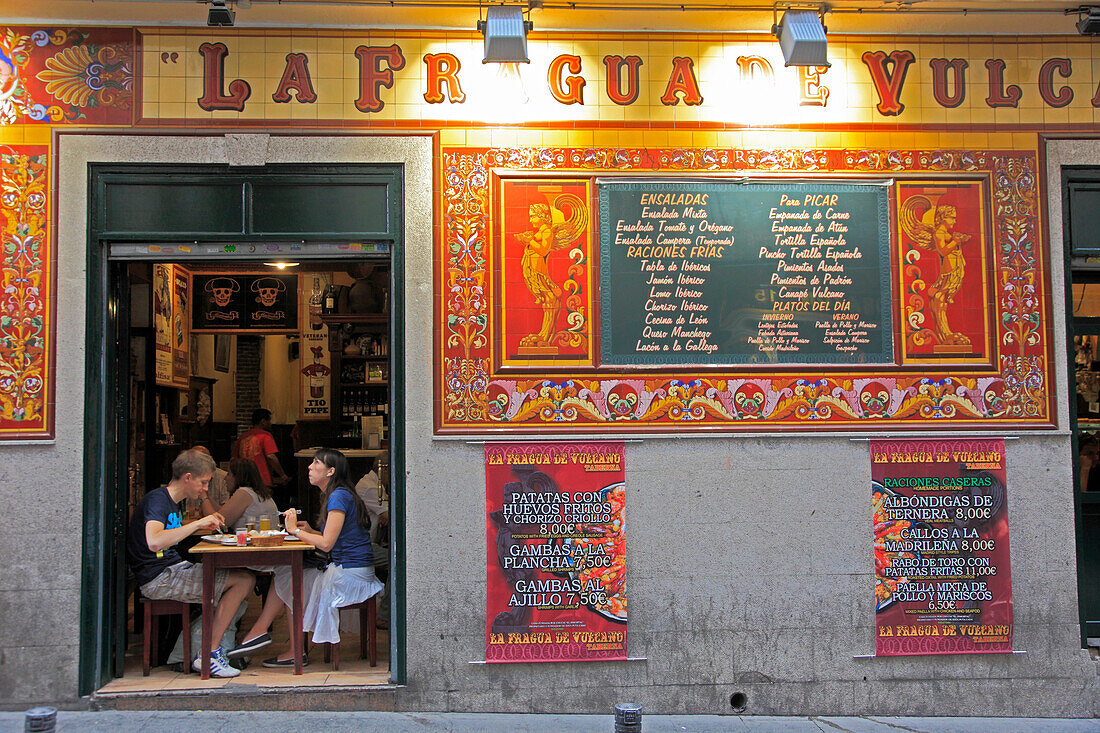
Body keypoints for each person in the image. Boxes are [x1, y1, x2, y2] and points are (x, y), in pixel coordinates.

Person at [229, 449, 381, 667]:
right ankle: (269, 638)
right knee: (288, 574)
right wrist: (310, 530)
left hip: (350, 573)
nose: (310, 467)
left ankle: (273, 639)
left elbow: (327, 544)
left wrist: (295, 531)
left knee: (289, 577)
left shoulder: (338, 496)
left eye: (316, 463)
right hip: (352, 569)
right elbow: (335, 537)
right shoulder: (338, 493)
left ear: (331, 471)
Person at [127, 449, 255, 677]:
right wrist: (196, 525)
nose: (205, 488)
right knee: (243, 581)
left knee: (240, 578)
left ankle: (209, 648)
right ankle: (209, 653)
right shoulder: (158, 500)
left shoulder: (171, 502)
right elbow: (154, 541)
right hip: (160, 578)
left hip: (171, 571)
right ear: (188, 477)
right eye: (204, 482)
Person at [354, 462, 389, 628]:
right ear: (384, 469)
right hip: (362, 546)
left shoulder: (372, 484)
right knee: (396, 563)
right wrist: (385, 514)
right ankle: (383, 616)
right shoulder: (371, 487)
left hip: (367, 542)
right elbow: (391, 515)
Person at [233, 408, 290, 490]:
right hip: (262, 479)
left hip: (244, 480)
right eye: (269, 420)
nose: (270, 423)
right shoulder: (266, 436)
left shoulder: (242, 437)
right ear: (263, 421)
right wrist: (282, 475)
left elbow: (234, 459)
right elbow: (271, 457)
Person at [217, 458, 280, 530]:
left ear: (237, 477)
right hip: (267, 539)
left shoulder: (244, 493)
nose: (225, 478)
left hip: (256, 540)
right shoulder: (256, 492)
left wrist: (204, 496)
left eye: (228, 473)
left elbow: (220, 522)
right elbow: (222, 513)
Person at [183, 445, 230, 519]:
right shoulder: (186, 477)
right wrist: (197, 509)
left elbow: (226, 514)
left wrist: (206, 498)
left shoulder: (224, 478)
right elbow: (185, 511)